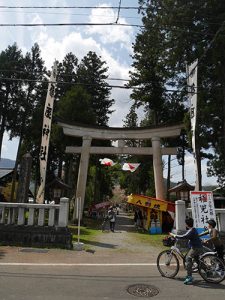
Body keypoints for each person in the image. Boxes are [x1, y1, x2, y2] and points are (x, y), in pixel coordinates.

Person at [169, 217, 203, 285]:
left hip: (196, 248)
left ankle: (189, 277)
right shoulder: (193, 229)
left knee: (188, 258)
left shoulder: (191, 231)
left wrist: (174, 235)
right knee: (196, 259)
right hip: (196, 246)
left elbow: (183, 236)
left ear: (187, 224)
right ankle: (207, 271)